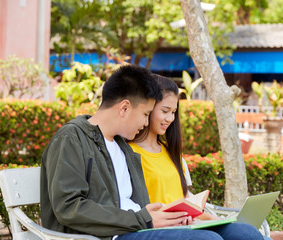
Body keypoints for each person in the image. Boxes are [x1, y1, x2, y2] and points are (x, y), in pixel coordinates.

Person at [40, 65, 194, 240]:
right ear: (124, 108)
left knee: (227, 233)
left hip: (135, 229)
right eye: (145, 114)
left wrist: (162, 216)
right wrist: (141, 219)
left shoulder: (122, 147)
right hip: (106, 236)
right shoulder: (71, 138)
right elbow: (68, 207)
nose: (145, 123)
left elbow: (132, 205)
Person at [128, 74, 271, 240]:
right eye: (165, 111)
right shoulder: (130, 153)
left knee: (247, 233)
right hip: (158, 228)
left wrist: (214, 219)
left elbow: (185, 199)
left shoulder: (170, 152)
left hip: (188, 223)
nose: (170, 118)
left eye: (173, 112)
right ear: (148, 107)